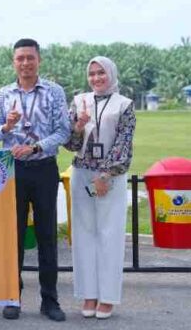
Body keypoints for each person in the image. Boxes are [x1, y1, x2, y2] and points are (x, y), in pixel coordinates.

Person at [0, 39, 70, 322]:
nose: (25, 63)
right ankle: (13, 298)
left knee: (47, 237)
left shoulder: (53, 91)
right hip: (13, 171)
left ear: (39, 60)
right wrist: (7, 126)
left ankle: (50, 300)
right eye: (20, 58)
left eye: (30, 58)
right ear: (14, 62)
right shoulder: (3, 94)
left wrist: (35, 147)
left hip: (44, 168)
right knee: (14, 237)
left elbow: (63, 132)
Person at [64, 57, 135, 320]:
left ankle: (107, 297)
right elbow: (70, 144)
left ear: (111, 74)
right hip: (82, 174)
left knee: (109, 234)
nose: (96, 78)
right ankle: (89, 294)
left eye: (101, 73)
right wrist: (78, 126)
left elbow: (123, 142)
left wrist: (105, 175)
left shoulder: (124, 104)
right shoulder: (79, 101)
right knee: (84, 235)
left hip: (110, 177)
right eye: (92, 73)